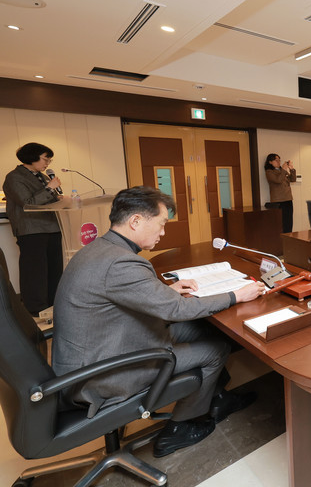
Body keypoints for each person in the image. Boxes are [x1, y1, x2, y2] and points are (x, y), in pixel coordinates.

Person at [52, 186, 265, 457]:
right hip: (102, 372)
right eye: (161, 224)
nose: (163, 232)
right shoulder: (121, 263)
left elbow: (121, 295)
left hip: (96, 350)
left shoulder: (101, 249)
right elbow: (176, 309)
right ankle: (179, 428)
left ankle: (217, 397)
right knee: (216, 349)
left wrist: (166, 291)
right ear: (135, 221)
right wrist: (236, 295)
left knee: (199, 329)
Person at [2, 142, 63, 316]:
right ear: (31, 157)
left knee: (54, 269)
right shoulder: (14, 177)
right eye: (45, 159)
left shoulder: (42, 176)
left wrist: (60, 199)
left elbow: (46, 199)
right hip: (31, 229)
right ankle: (36, 308)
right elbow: (28, 203)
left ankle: (54, 305)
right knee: (35, 271)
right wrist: (49, 188)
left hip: (52, 226)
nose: (47, 164)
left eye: (49, 160)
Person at [264, 153, 296, 233]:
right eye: (276, 160)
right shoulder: (269, 172)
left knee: (289, 221)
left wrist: (292, 169)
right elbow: (278, 180)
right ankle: (281, 239)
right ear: (270, 162)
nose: (278, 162)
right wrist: (284, 170)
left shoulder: (282, 171)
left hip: (288, 199)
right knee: (281, 223)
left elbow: (293, 179)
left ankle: (289, 236)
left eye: (279, 160)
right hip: (278, 201)